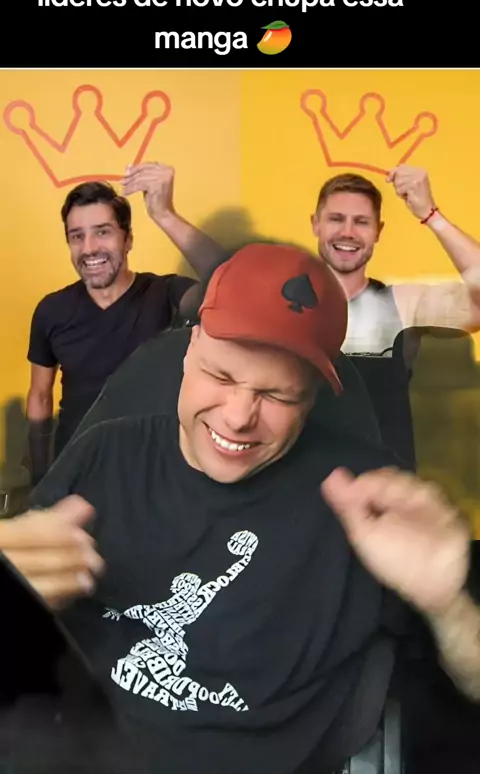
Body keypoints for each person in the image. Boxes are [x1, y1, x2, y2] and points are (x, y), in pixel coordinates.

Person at [3, 242, 480, 773]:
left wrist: (448, 605)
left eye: (277, 395)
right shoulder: (104, 454)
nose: (237, 418)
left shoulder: (368, 501)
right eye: (222, 377)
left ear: (312, 395)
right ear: (189, 350)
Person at [25, 161, 226, 483]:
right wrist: (39, 478)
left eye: (102, 232)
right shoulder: (51, 310)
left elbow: (229, 282)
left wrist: (165, 214)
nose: (89, 248)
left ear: (128, 239)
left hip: (152, 475)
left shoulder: (166, 294)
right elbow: (40, 396)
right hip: (76, 473)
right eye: (77, 236)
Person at [311, 165, 480, 356]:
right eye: (336, 219)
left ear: (378, 231)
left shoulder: (406, 306)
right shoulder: (284, 302)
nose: (347, 232)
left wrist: (431, 215)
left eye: (361, 222)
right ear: (315, 224)